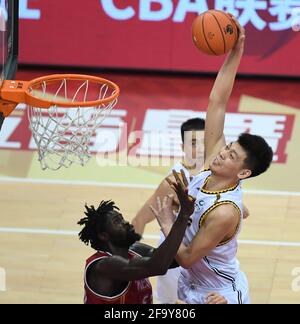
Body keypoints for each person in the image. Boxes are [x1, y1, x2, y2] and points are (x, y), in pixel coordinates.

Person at [151, 17, 273, 304]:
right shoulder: (210, 167)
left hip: (219, 296)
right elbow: (218, 101)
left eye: (231, 155)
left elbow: (189, 257)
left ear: (243, 173)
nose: (221, 152)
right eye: (227, 146)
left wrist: (168, 221)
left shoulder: (225, 212)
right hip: (193, 286)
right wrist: (236, 51)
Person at [77, 177, 195, 304]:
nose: (125, 223)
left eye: (122, 218)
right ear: (104, 236)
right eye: (117, 222)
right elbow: (158, 266)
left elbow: (174, 259)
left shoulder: (135, 250)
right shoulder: (104, 266)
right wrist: (181, 217)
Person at [131, 118, 205, 304]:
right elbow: (139, 220)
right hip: (174, 257)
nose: (201, 149)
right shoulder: (173, 182)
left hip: (202, 252)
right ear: (183, 147)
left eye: (204, 142)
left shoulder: (214, 174)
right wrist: (130, 268)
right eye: (194, 143)